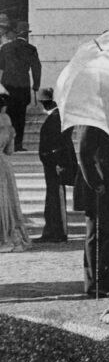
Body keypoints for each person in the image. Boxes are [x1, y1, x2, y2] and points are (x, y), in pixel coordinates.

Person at [73, 124, 109, 297]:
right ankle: (97, 282)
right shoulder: (91, 124)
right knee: (99, 232)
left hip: (107, 182)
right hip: (97, 185)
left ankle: (104, 280)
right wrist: (96, 182)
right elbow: (84, 155)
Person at [36, 88, 76, 243]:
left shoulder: (55, 118)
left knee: (55, 198)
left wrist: (57, 163)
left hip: (55, 165)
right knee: (54, 197)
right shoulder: (58, 116)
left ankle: (57, 232)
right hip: (55, 163)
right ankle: (54, 230)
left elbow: (59, 144)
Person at [0, 21, 41, 152]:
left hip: (8, 86)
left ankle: (6, 144)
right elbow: (36, 68)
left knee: (8, 115)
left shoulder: (5, 48)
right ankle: (18, 144)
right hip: (23, 86)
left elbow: (1, 66)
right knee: (20, 116)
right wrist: (36, 86)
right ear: (27, 35)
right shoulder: (31, 49)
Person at [0, 94, 31, 252]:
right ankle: (11, 235)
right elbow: (10, 150)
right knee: (7, 201)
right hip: (3, 164)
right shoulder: (8, 125)